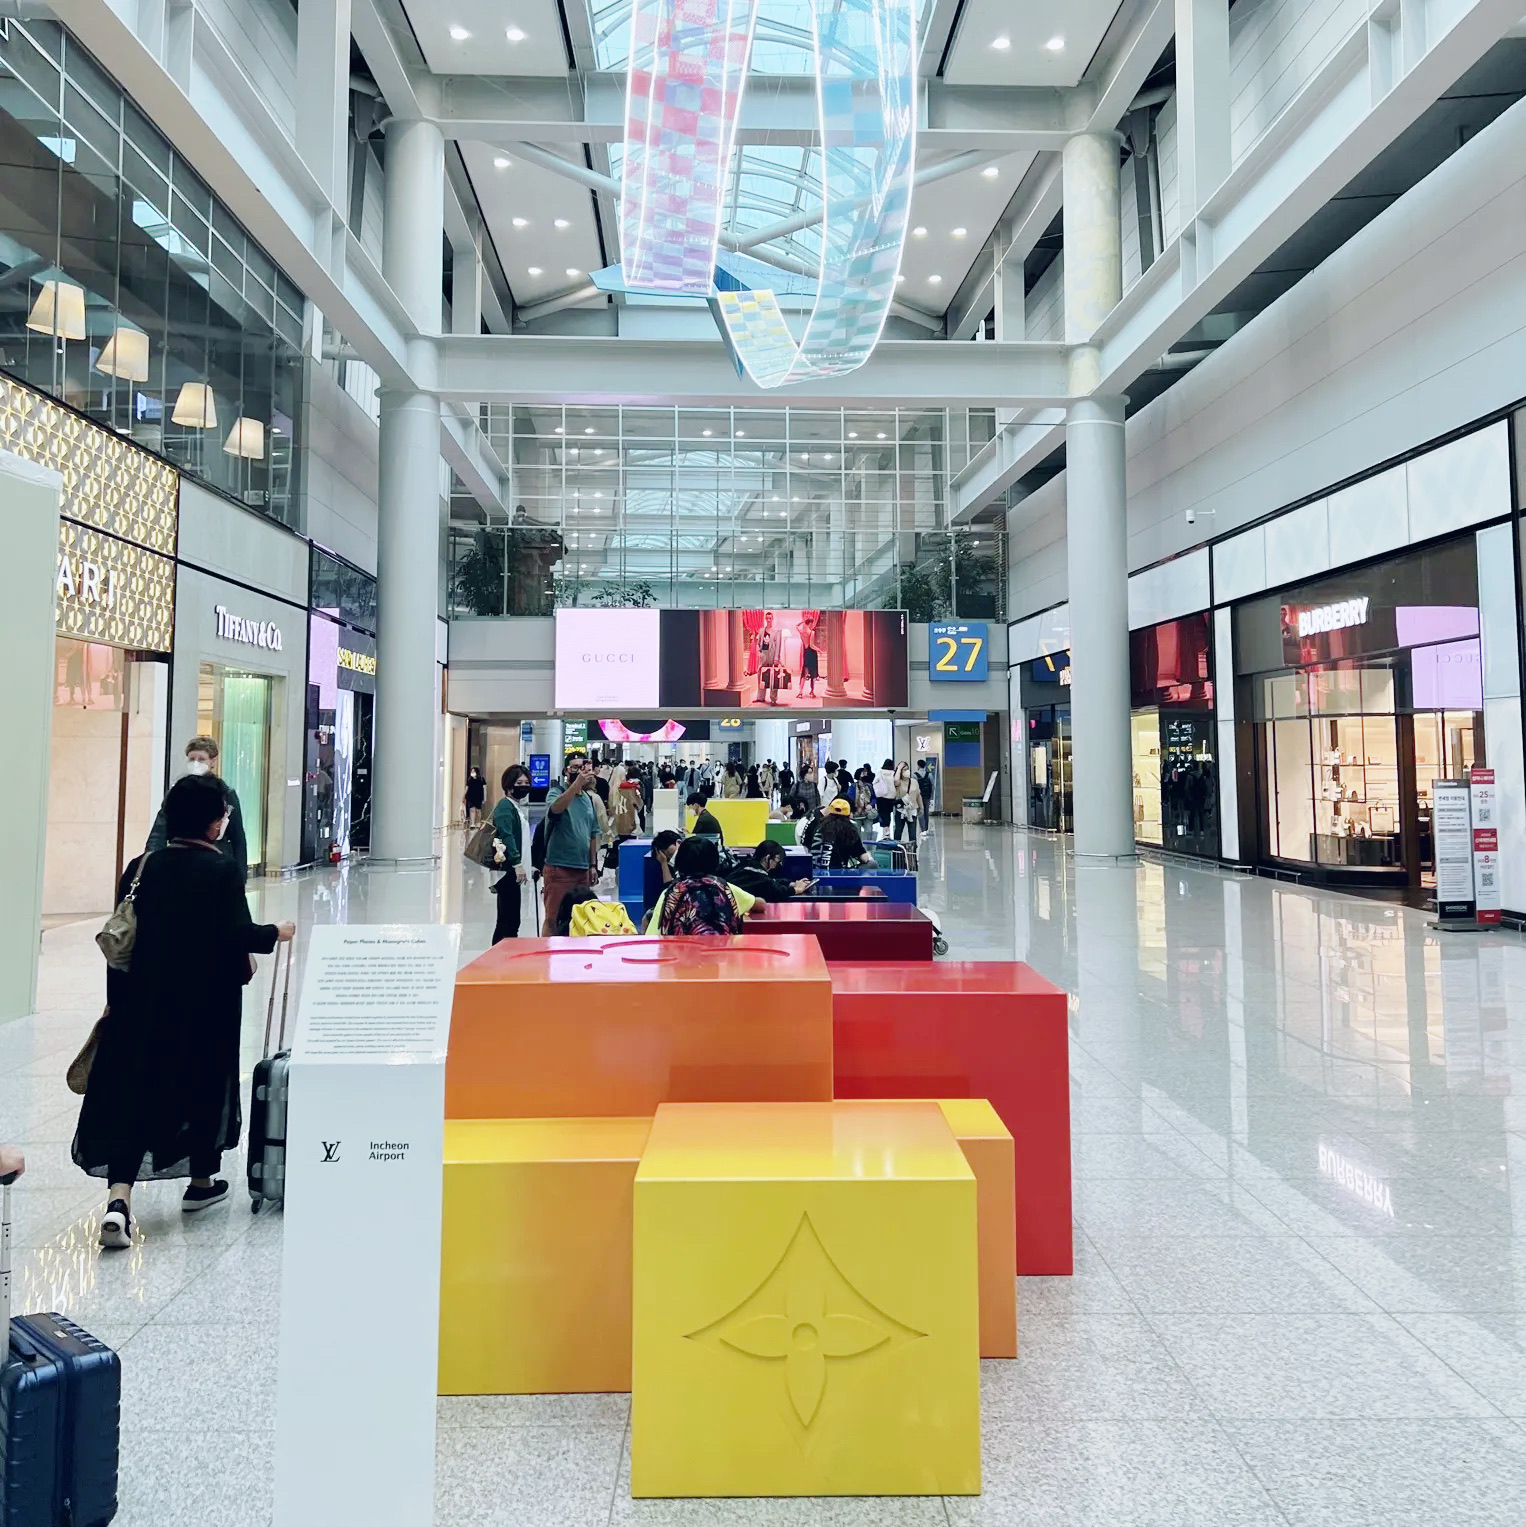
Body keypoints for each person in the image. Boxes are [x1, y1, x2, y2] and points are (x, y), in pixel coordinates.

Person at [74, 773, 295, 1249]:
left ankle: (120, 1198)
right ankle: (200, 1183)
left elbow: (120, 942)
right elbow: (237, 934)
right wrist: (276, 931)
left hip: (142, 1002)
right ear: (213, 823)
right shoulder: (220, 870)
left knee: (138, 1090)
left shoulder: (141, 866)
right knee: (202, 1084)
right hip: (204, 1006)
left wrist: (115, 1003)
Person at [146, 736, 249, 880]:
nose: (196, 763)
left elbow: (237, 837)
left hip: (216, 861)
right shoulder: (178, 792)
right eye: (192, 759)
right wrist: (151, 858)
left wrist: (241, 875)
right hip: (180, 859)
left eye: (201, 759)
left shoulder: (225, 793)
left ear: (212, 761)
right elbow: (160, 828)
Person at [542, 752, 601, 931]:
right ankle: (548, 953)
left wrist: (593, 865)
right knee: (554, 916)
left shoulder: (588, 799)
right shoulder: (556, 792)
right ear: (566, 771)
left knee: (581, 919)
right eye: (574, 767)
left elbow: (593, 833)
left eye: (581, 767)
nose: (579, 771)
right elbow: (555, 809)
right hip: (559, 868)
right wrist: (576, 785)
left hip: (582, 869)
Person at [653, 836, 752, 935]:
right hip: (723, 949)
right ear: (715, 861)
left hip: (682, 949)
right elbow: (759, 904)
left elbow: (654, 935)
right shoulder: (725, 887)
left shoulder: (672, 892)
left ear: (679, 862)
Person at [490, 765, 530, 943]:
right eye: (519, 782)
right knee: (508, 920)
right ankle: (501, 958)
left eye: (526, 782)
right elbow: (507, 836)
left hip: (512, 871)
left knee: (511, 919)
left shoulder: (514, 806)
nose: (524, 786)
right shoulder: (505, 806)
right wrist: (517, 864)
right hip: (508, 871)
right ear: (509, 785)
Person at [730, 841, 812, 901]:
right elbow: (776, 890)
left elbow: (771, 881)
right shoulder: (758, 878)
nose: (777, 865)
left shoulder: (746, 867)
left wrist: (791, 884)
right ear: (767, 858)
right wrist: (798, 889)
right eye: (777, 861)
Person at [811, 797, 875, 871]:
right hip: (837, 875)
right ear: (849, 814)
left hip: (814, 874)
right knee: (872, 864)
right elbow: (864, 858)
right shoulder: (849, 830)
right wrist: (869, 856)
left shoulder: (819, 827)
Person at [894, 761, 921, 845]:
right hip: (901, 811)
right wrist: (899, 768)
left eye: (907, 769)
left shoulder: (914, 781)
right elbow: (895, 781)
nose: (906, 771)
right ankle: (897, 853)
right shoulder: (898, 782)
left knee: (912, 835)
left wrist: (921, 807)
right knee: (898, 833)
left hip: (912, 811)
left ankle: (912, 854)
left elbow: (918, 795)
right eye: (904, 770)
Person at [873, 759, 898, 832]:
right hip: (891, 796)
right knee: (888, 813)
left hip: (881, 796)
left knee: (882, 812)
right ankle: (887, 828)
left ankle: (884, 828)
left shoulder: (880, 772)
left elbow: (874, 782)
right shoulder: (894, 773)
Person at [916, 759, 933, 830]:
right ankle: (926, 828)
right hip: (927, 796)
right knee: (926, 811)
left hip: (918, 796)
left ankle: (922, 828)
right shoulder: (929, 774)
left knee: (920, 811)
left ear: (918, 766)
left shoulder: (915, 775)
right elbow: (932, 785)